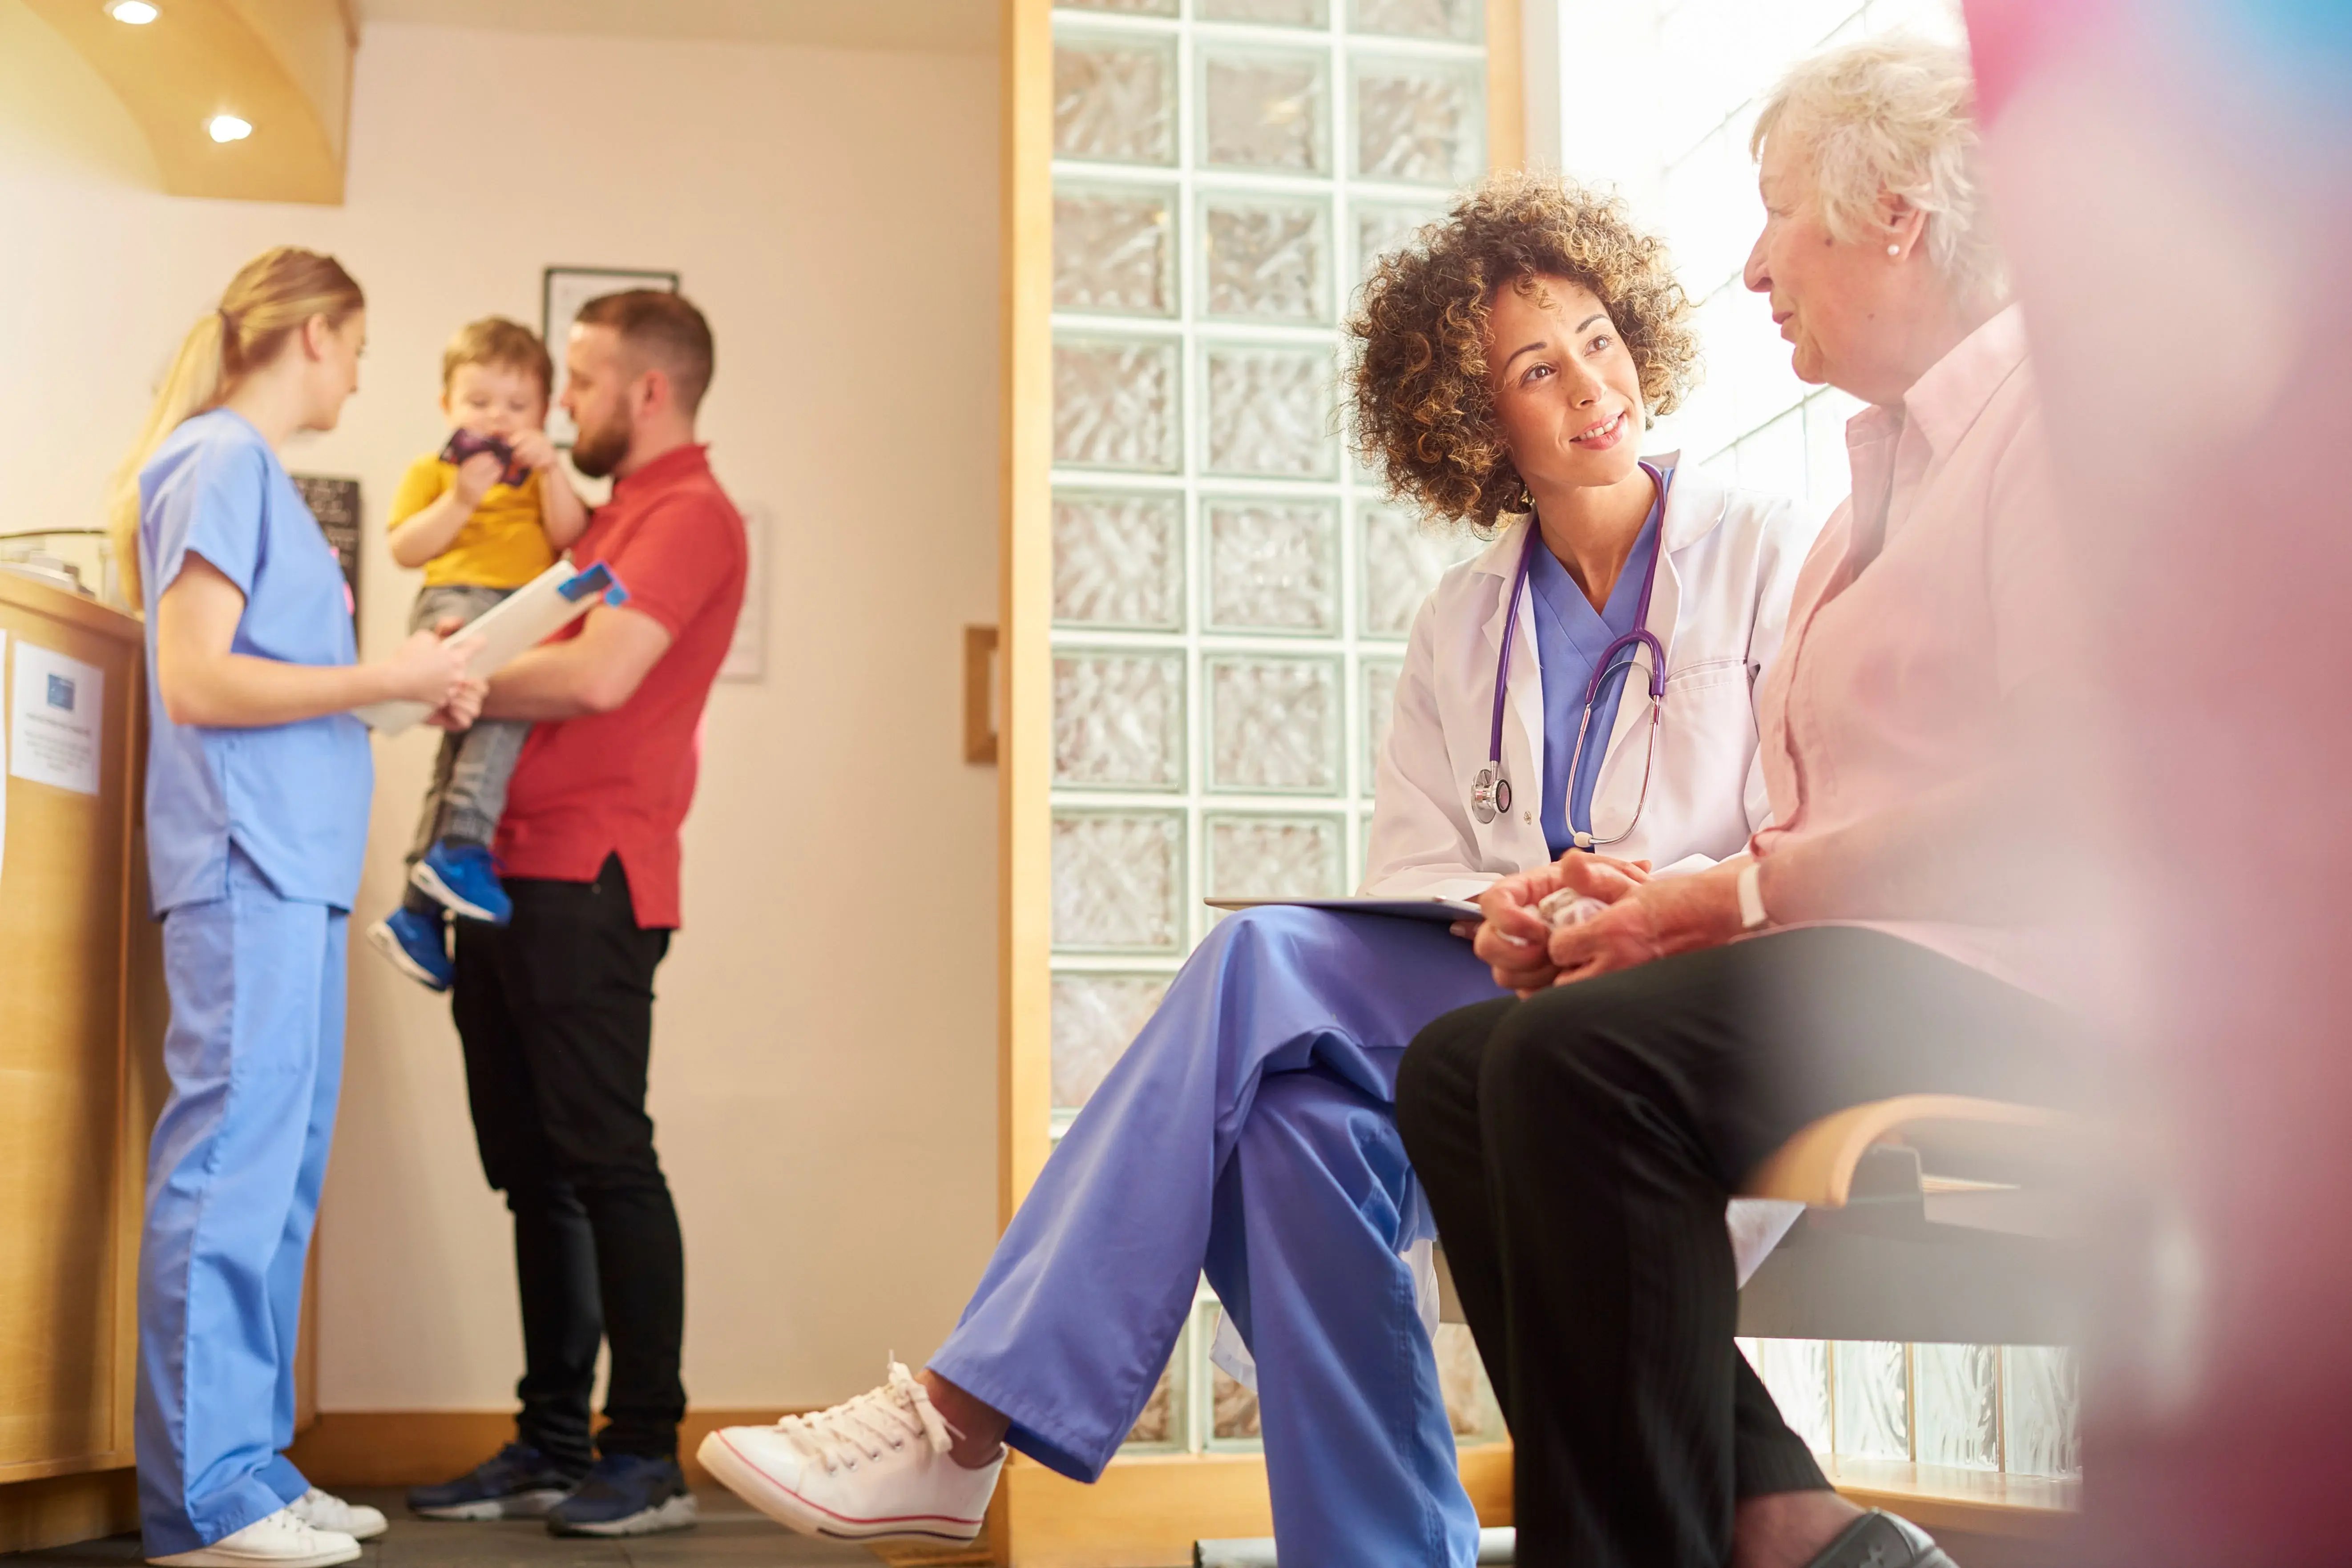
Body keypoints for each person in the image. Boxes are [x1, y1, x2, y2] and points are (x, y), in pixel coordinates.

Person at [695, 174, 1821, 1564]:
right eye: (1538, 367)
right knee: (1293, 1108)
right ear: (1478, 419)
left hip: (1686, 1012)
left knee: (1274, 1024)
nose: (1592, 382)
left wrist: (1640, 895)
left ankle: (963, 1414)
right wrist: (1518, 906)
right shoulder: (1461, 623)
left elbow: (1802, 822)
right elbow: (1422, 868)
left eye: (1597, 335)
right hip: (1509, 1021)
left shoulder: (1766, 550)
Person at [1394, 36, 2089, 1568]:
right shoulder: (1869, 499)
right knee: (1458, 1065)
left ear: (1894, 215)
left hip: (2034, 977)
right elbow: (1805, 821)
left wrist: (1729, 903)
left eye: (1776, 213)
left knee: (1575, 1071)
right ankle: (1775, 1512)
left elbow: (2064, 791)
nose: (1750, 264)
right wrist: (1635, 909)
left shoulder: (2055, 425)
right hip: (1881, 959)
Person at [112, 246, 484, 1568]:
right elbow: (203, 681)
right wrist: (382, 671)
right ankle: (204, 1501)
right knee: (228, 1169)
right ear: (317, 334)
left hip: (299, 867)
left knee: (278, 1182)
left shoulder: (255, 479)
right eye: (363, 346)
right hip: (244, 861)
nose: (364, 372)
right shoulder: (214, 461)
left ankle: (252, 1466)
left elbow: (284, 685)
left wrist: (404, 689)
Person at [403, 290, 746, 1539]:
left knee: (605, 1160)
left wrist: (444, 670)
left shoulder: (689, 513)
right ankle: (552, 1438)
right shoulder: (605, 515)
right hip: (503, 866)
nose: (564, 406)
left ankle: (644, 1449)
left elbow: (601, 671)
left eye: (586, 382)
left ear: (648, 391)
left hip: (590, 875)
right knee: (534, 1172)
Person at [369, 316, 589, 988]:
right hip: (456, 603)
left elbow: (572, 534)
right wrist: (463, 497)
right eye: (479, 402)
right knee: (500, 714)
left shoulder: (540, 474)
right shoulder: (434, 472)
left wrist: (551, 469)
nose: (498, 418)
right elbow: (407, 548)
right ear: (447, 407)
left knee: (465, 744)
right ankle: (463, 844)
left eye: (517, 405)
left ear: (544, 412)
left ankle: (419, 908)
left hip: (524, 607)